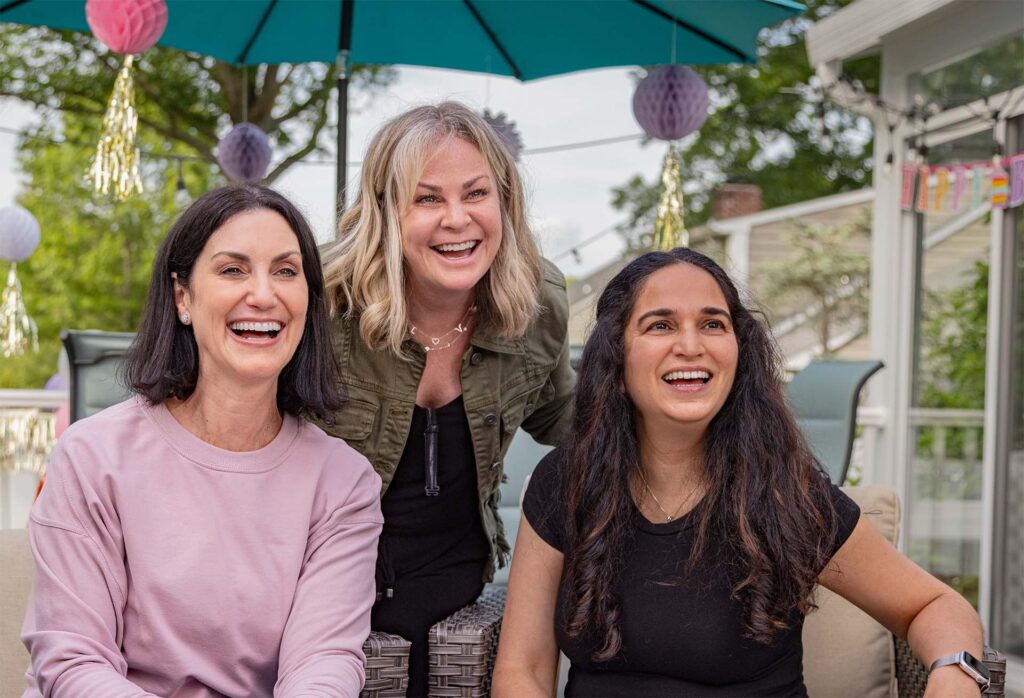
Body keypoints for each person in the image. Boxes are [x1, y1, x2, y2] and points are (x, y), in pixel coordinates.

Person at [493, 248, 987, 697]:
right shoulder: (566, 482)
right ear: (616, 357)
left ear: (738, 350)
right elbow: (523, 669)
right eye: (660, 325)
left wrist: (954, 672)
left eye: (713, 324)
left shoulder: (785, 491)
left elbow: (934, 605)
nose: (691, 345)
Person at [21, 185, 383, 697]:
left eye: (285, 271)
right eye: (233, 270)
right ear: (183, 297)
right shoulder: (91, 457)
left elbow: (323, 664)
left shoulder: (344, 483)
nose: (264, 294)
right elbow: (73, 662)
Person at [321, 101, 575, 695]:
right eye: (427, 198)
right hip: (324, 588)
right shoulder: (321, 308)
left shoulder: (538, 304)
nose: (457, 219)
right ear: (386, 211)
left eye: (476, 194)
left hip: (459, 594)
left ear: (505, 203)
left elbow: (567, 417)